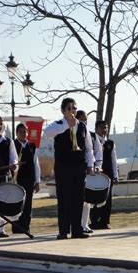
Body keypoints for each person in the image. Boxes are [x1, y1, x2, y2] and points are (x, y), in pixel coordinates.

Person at [43, 98, 95, 240]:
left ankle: (77, 229)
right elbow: (46, 133)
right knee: (64, 198)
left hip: (79, 166)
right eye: (69, 108)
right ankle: (63, 231)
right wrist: (66, 126)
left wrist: (90, 164)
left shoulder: (82, 126)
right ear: (63, 111)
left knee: (78, 198)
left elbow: (89, 148)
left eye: (74, 108)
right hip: (63, 166)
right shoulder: (58, 124)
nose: (72, 111)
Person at [77, 110, 103, 234]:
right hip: (78, 169)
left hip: (90, 170)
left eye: (86, 119)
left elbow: (98, 151)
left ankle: (84, 224)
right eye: (82, 119)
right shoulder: (74, 132)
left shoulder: (93, 135)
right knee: (79, 199)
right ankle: (76, 224)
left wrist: (97, 165)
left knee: (87, 200)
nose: (84, 122)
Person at [12, 123, 41, 235]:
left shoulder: (32, 146)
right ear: (16, 133)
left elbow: (36, 163)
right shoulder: (13, 144)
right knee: (17, 205)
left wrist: (37, 181)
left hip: (29, 179)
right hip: (17, 180)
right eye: (21, 132)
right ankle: (17, 228)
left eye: (25, 131)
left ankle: (26, 228)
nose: (23, 134)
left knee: (28, 205)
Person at [90, 120, 119, 230]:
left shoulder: (110, 143)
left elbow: (114, 159)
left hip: (108, 173)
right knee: (95, 197)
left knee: (107, 198)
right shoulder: (92, 141)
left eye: (106, 128)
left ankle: (104, 221)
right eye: (102, 127)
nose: (104, 130)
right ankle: (94, 221)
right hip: (96, 173)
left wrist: (115, 175)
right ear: (96, 129)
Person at [0, 116, 19, 238]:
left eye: (1, 124)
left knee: (3, 203)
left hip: (4, 175)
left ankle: (1, 229)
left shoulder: (8, 141)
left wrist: (14, 167)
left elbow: (14, 158)